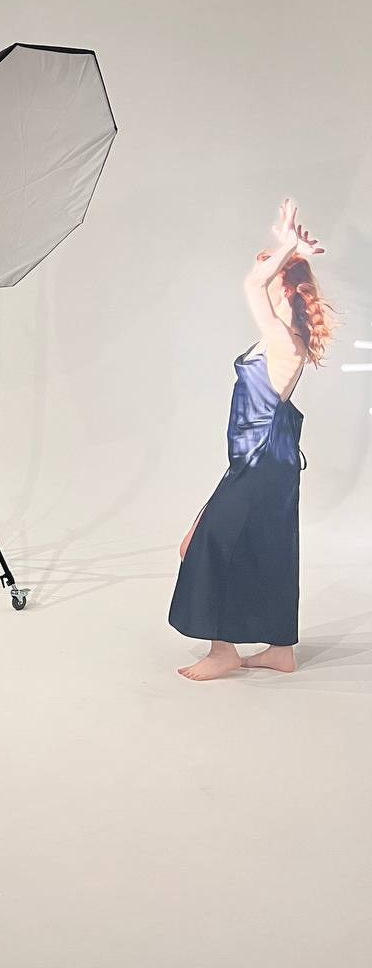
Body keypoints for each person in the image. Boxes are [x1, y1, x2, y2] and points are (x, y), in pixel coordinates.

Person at [169, 199, 335, 681]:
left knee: (207, 544)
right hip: (257, 462)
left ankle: (223, 650)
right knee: (264, 547)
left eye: (270, 270)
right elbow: (257, 281)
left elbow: (250, 284)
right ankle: (281, 650)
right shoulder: (279, 336)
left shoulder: (283, 340)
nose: (259, 273)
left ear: (284, 285)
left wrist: (288, 246)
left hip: (261, 464)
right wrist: (289, 250)